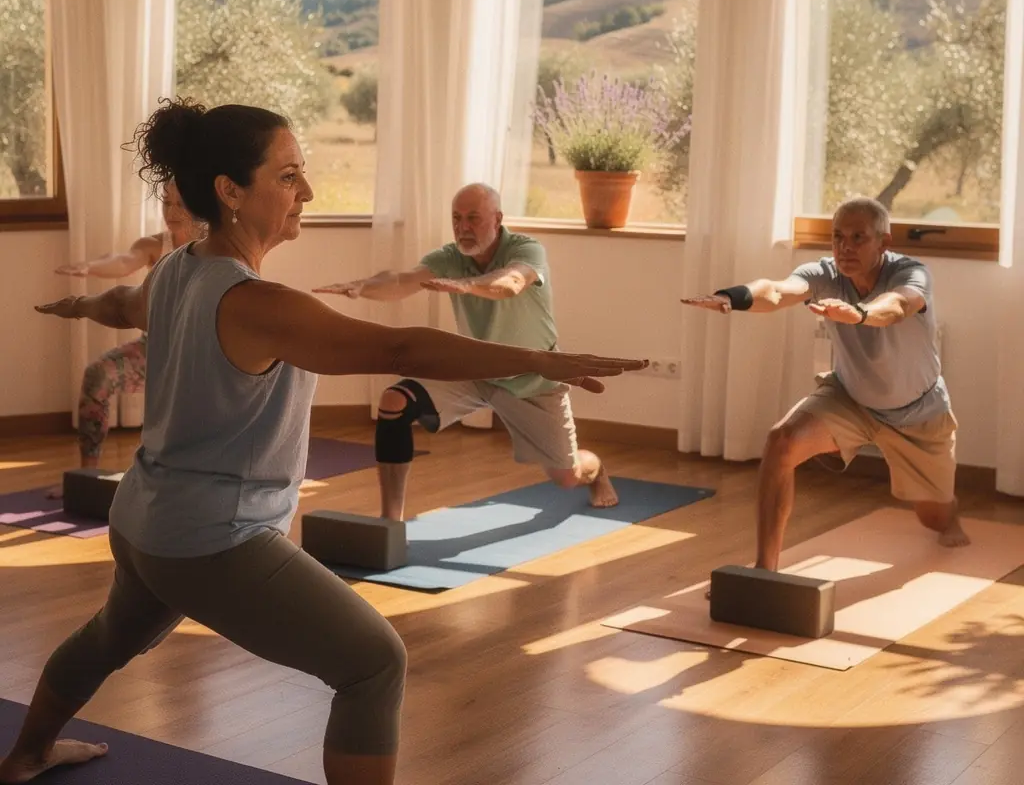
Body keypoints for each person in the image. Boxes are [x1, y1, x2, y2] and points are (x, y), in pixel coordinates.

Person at [0, 99, 645, 785]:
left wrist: (74, 306)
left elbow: (120, 304)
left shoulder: (176, 270)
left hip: (143, 518)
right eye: (287, 177)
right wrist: (541, 362)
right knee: (374, 664)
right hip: (211, 538)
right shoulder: (259, 305)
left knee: (108, 638)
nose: (305, 191)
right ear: (230, 191)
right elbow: (398, 344)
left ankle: (25, 755)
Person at [682, 195, 969, 576]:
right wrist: (732, 297)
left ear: (884, 242)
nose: (844, 247)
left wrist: (861, 313)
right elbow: (778, 290)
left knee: (934, 515)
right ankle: (765, 568)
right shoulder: (826, 274)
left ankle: (950, 516)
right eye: (837, 237)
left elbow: (898, 307)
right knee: (781, 442)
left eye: (858, 237)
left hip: (919, 411)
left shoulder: (911, 273)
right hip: (851, 398)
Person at [314, 182, 619, 523]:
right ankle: (391, 521)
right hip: (474, 371)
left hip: (532, 379)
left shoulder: (527, 250)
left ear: (498, 219)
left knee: (567, 475)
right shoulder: (449, 257)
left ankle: (598, 469)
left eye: (473, 218)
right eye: (457, 218)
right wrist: (364, 287)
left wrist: (467, 285)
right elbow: (403, 280)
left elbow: (510, 283)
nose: (463, 227)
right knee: (394, 402)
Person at [47, 181, 203, 498]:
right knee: (97, 375)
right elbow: (123, 260)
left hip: (200, 354)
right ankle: (88, 476)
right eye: (165, 202)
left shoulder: (217, 246)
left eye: (180, 204)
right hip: (155, 349)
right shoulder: (154, 245)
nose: (171, 212)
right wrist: (90, 266)